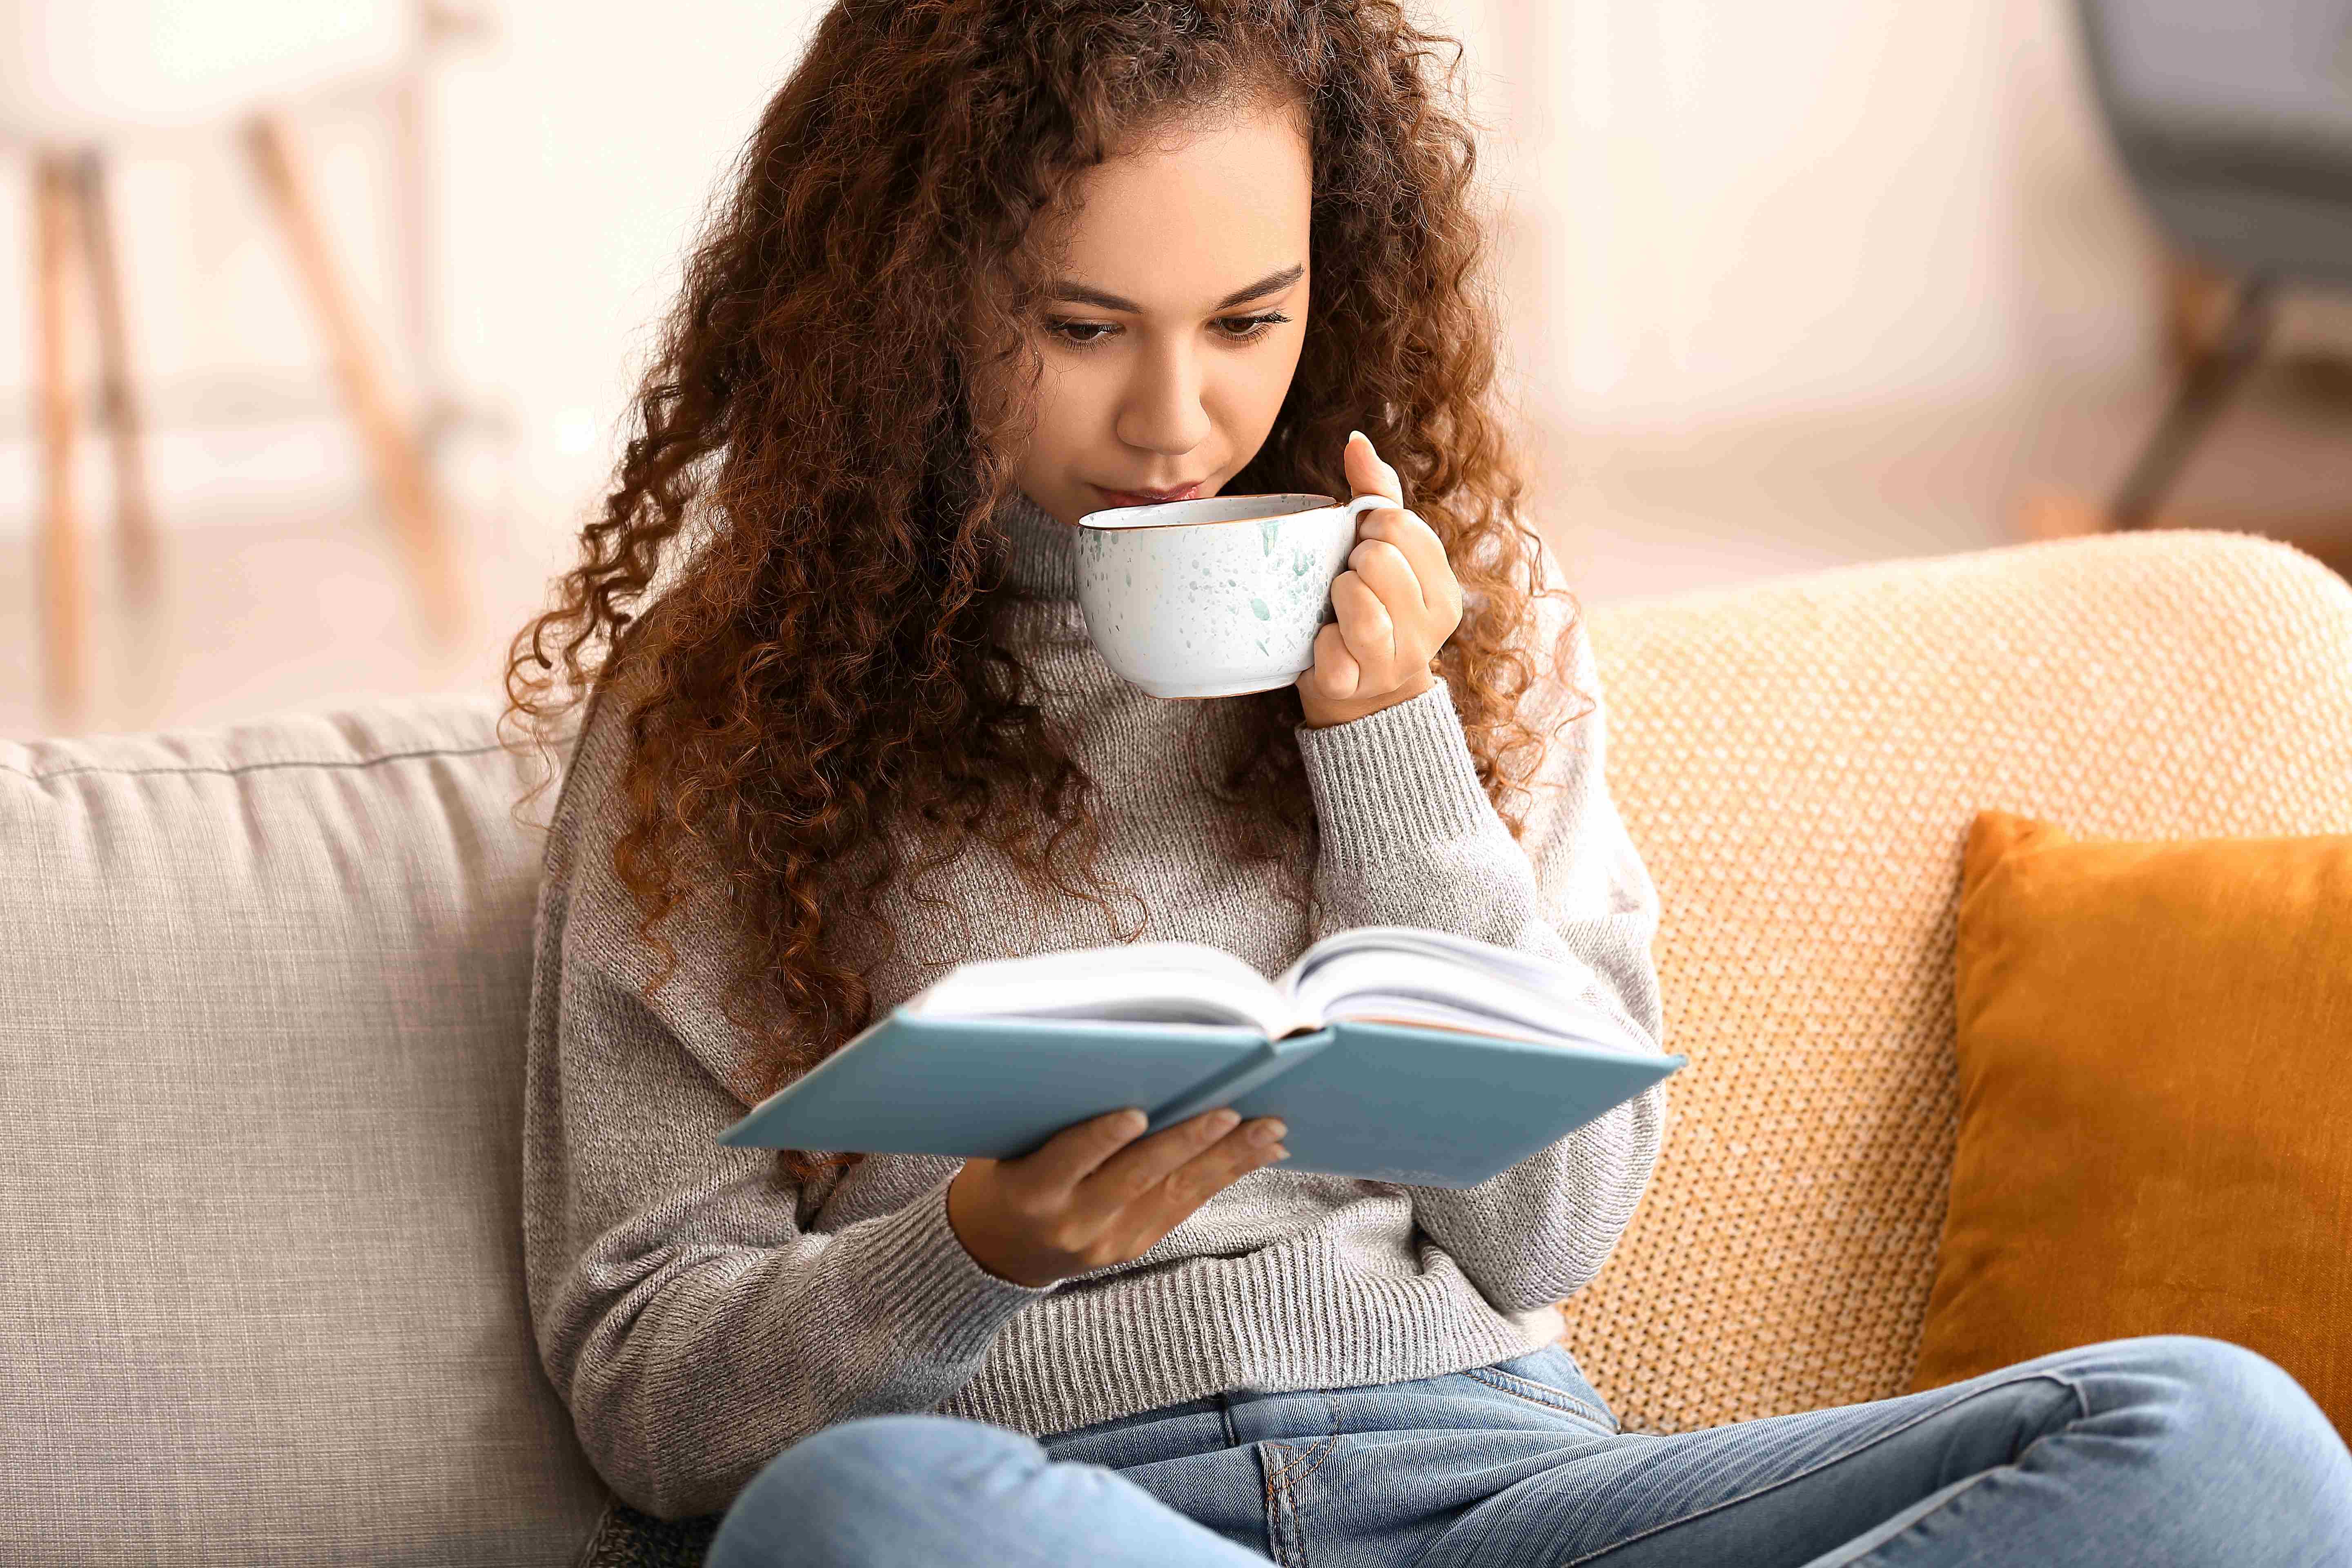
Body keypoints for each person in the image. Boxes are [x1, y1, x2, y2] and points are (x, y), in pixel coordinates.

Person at [507, 4, 2352, 1564]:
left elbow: (1549, 1227)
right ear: (912, 299)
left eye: (1248, 320)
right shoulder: (726, 701)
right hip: (1055, 1506)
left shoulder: (1469, 617)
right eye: (1082, 328)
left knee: (2222, 1443)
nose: (1176, 421)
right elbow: (652, 1391)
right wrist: (968, 1254)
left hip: (1496, 1483)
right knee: (866, 1519)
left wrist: (1383, 744)